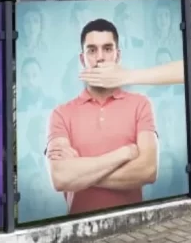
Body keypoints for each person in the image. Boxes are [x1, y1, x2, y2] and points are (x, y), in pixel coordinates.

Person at [45, 19, 159, 216]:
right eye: (92, 50)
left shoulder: (141, 104)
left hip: (134, 227)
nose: (100, 58)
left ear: (118, 55)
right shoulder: (61, 113)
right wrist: (124, 153)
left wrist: (81, 173)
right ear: (82, 59)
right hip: (79, 230)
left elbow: (148, 170)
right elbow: (60, 178)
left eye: (107, 49)